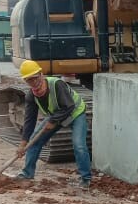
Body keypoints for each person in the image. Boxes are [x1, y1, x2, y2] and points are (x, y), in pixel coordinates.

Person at [15, 60, 92, 189]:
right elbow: (29, 120)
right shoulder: (31, 96)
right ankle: (27, 174)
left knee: (79, 145)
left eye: (35, 78)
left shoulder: (57, 85)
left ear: (41, 74)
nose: (34, 82)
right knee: (34, 140)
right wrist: (23, 143)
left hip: (75, 112)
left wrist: (52, 121)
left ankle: (85, 178)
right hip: (57, 115)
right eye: (29, 80)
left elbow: (69, 106)